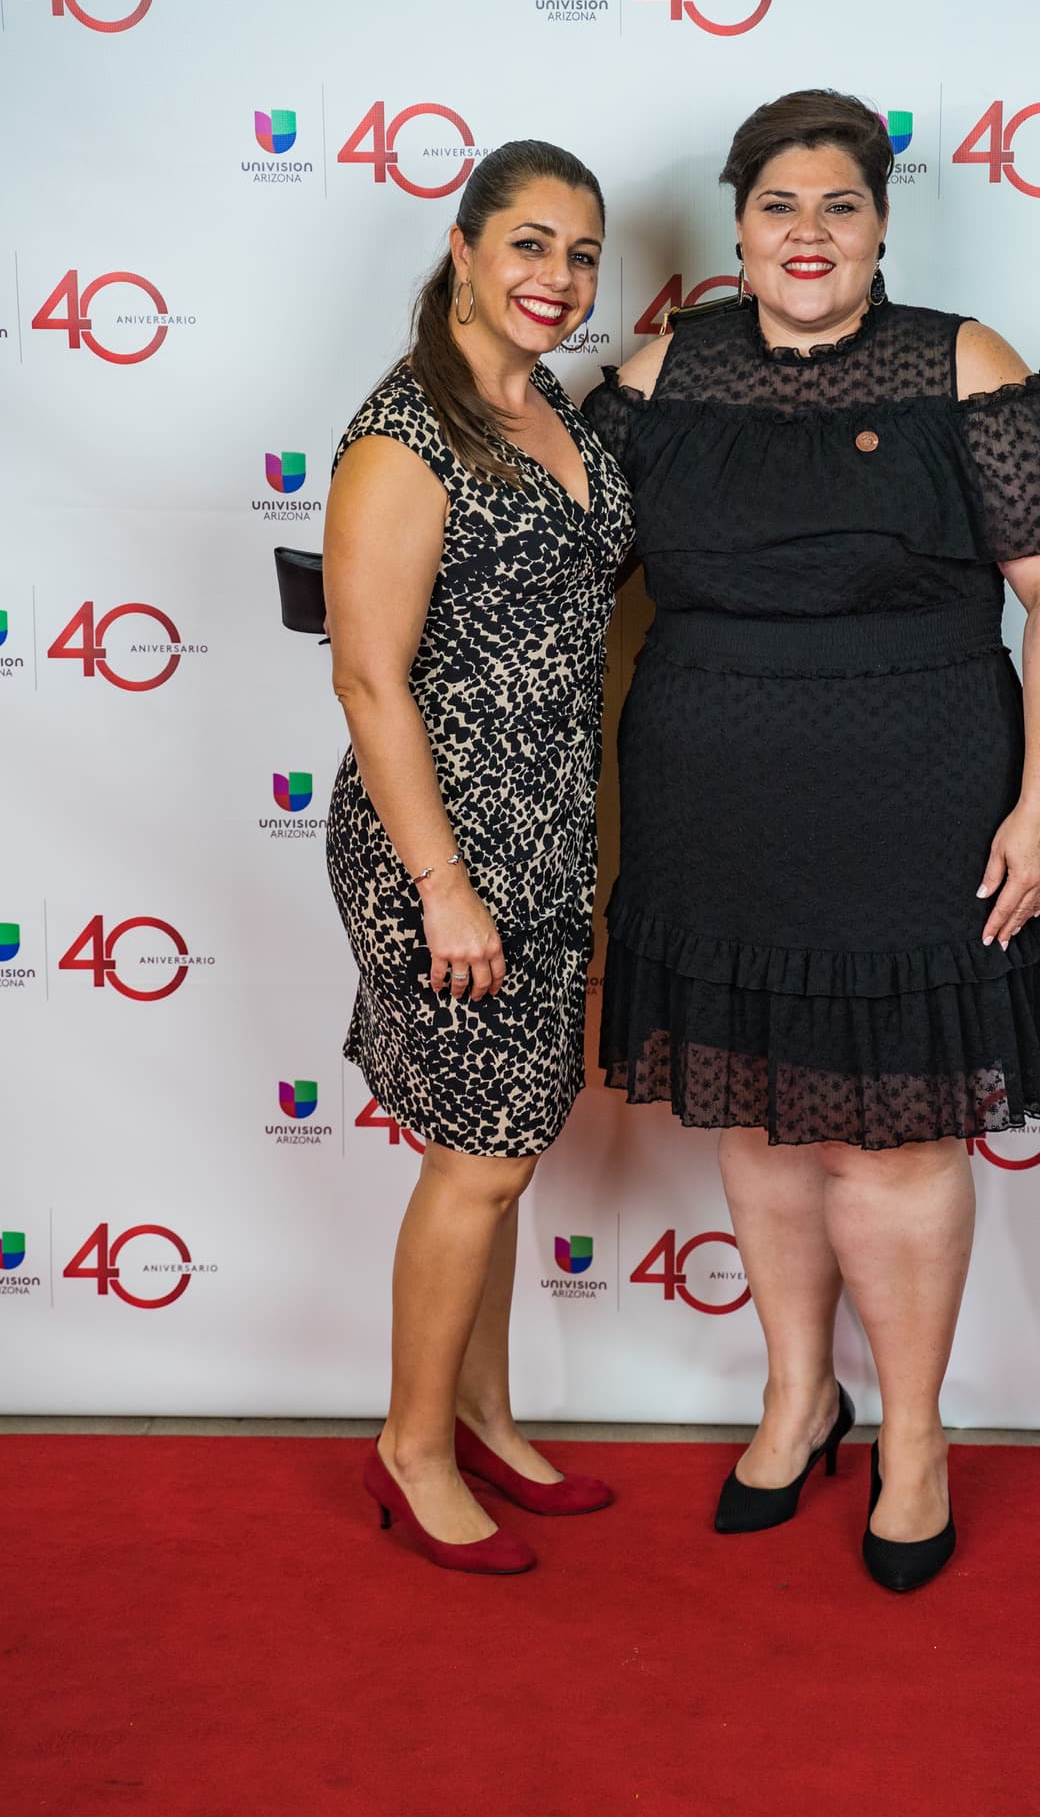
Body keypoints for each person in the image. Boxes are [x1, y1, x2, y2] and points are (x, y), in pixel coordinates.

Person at [583, 89, 1040, 1591]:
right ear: (739, 228)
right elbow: (547, 540)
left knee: (901, 1131)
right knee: (757, 1119)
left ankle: (916, 1440)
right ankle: (797, 1397)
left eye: (840, 206)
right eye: (778, 207)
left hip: (921, 794)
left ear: (881, 224)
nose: (807, 235)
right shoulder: (661, 373)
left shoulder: (966, 365)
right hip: (708, 794)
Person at [325, 140, 631, 1575]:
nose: (557, 278)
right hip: (440, 847)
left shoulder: (548, 401)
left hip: (548, 831)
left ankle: (484, 1416)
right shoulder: (407, 432)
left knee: (496, 1151)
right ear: (462, 248)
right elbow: (368, 678)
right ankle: (411, 1446)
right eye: (529, 243)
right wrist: (443, 886)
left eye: (582, 254)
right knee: (483, 1161)